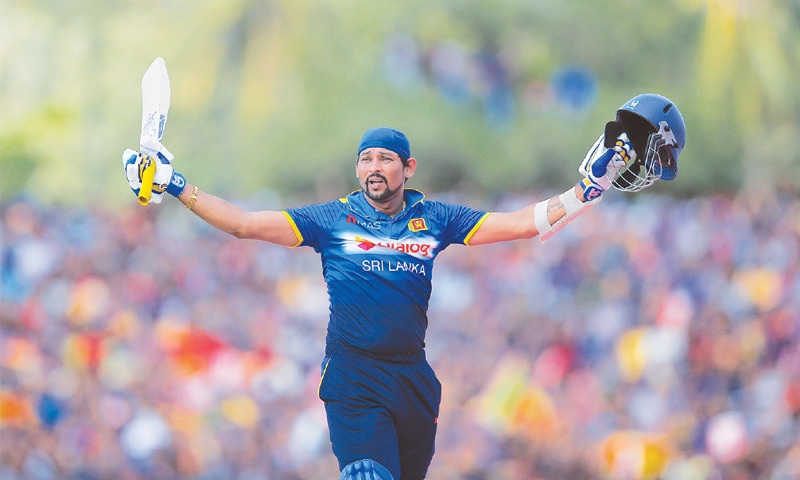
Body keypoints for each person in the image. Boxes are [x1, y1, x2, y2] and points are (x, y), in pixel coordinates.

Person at [122, 93, 686, 480]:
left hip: (413, 380)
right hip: (352, 374)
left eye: (386, 158)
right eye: (365, 157)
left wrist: (582, 193)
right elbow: (244, 223)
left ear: (408, 168)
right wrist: (175, 183)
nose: (373, 166)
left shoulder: (435, 217)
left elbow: (519, 225)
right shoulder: (330, 219)